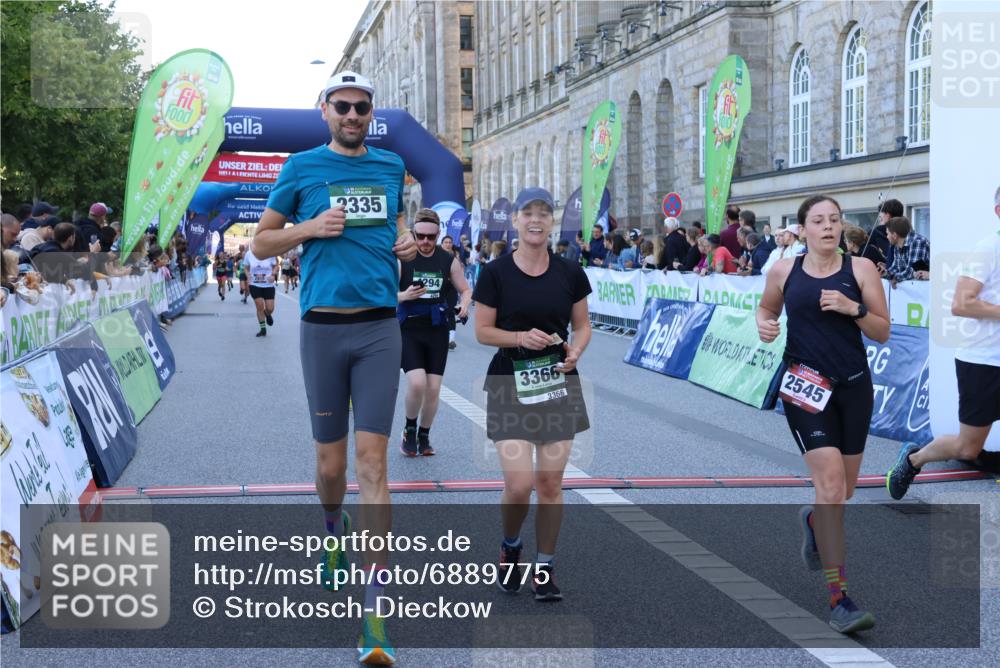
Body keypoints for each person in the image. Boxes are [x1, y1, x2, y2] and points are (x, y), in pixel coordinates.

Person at [250, 70, 415, 666]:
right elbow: (262, 245)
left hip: (377, 327)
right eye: (342, 106)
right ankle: (330, 527)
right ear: (325, 111)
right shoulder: (299, 168)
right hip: (322, 328)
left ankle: (374, 615)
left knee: (373, 464)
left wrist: (401, 242)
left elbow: (393, 224)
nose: (352, 115)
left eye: (362, 107)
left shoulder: (392, 167)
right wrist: (309, 229)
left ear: (372, 112)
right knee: (331, 466)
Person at [756, 194, 889, 634]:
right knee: (830, 486)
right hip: (805, 389)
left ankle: (813, 520)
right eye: (818, 220)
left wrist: (854, 309)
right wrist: (765, 324)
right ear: (803, 229)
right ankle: (840, 600)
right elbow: (766, 308)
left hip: (853, 388)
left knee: (844, 491)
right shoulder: (783, 270)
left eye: (834, 220)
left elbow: (883, 332)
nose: (828, 227)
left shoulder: (861, 270)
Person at [473, 186, 591, 603]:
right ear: (516, 221)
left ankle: (545, 566)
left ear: (551, 220)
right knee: (520, 484)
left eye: (544, 212)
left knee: (550, 484)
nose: (536, 219)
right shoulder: (495, 273)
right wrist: (521, 336)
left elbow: (583, 326)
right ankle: (510, 545)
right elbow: (482, 331)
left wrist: (576, 351)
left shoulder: (569, 272)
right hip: (509, 382)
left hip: (558, 384)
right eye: (528, 213)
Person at [887, 186, 1000, 497]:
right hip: (983, 361)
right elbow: (961, 304)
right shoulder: (989, 248)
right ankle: (914, 458)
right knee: (967, 447)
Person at [397, 209, 472, 456]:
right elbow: (382, 292)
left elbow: (465, 289)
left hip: (437, 328)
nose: (425, 242)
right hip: (409, 327)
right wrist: (403, 296)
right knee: (417, 383)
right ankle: (409, 429)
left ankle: (424, 434)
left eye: (431, 237)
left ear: (439, 234)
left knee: (433, 388)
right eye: (420, 236)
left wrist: (464, 304)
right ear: (414, 233)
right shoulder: (402, 258)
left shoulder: (447, 259)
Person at [242, 247, 279, 337]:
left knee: (270, 308)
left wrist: (273, 274)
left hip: (268, 285)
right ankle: (263, 329)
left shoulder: (270, 252)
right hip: (254, 284)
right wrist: (248, 276)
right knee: (259, 306)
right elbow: (245, 268)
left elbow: (276, 266)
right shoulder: (249, 254)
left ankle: (267, 313)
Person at [883, 216, 930, 287]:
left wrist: (895, 278)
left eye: (888, 234)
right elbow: (896, 268)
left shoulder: (917, 242)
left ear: (895, 235)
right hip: (918, 290)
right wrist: (884, 273)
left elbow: (911, 272)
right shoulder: (897, 245)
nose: (887, 237)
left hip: (932, 291)